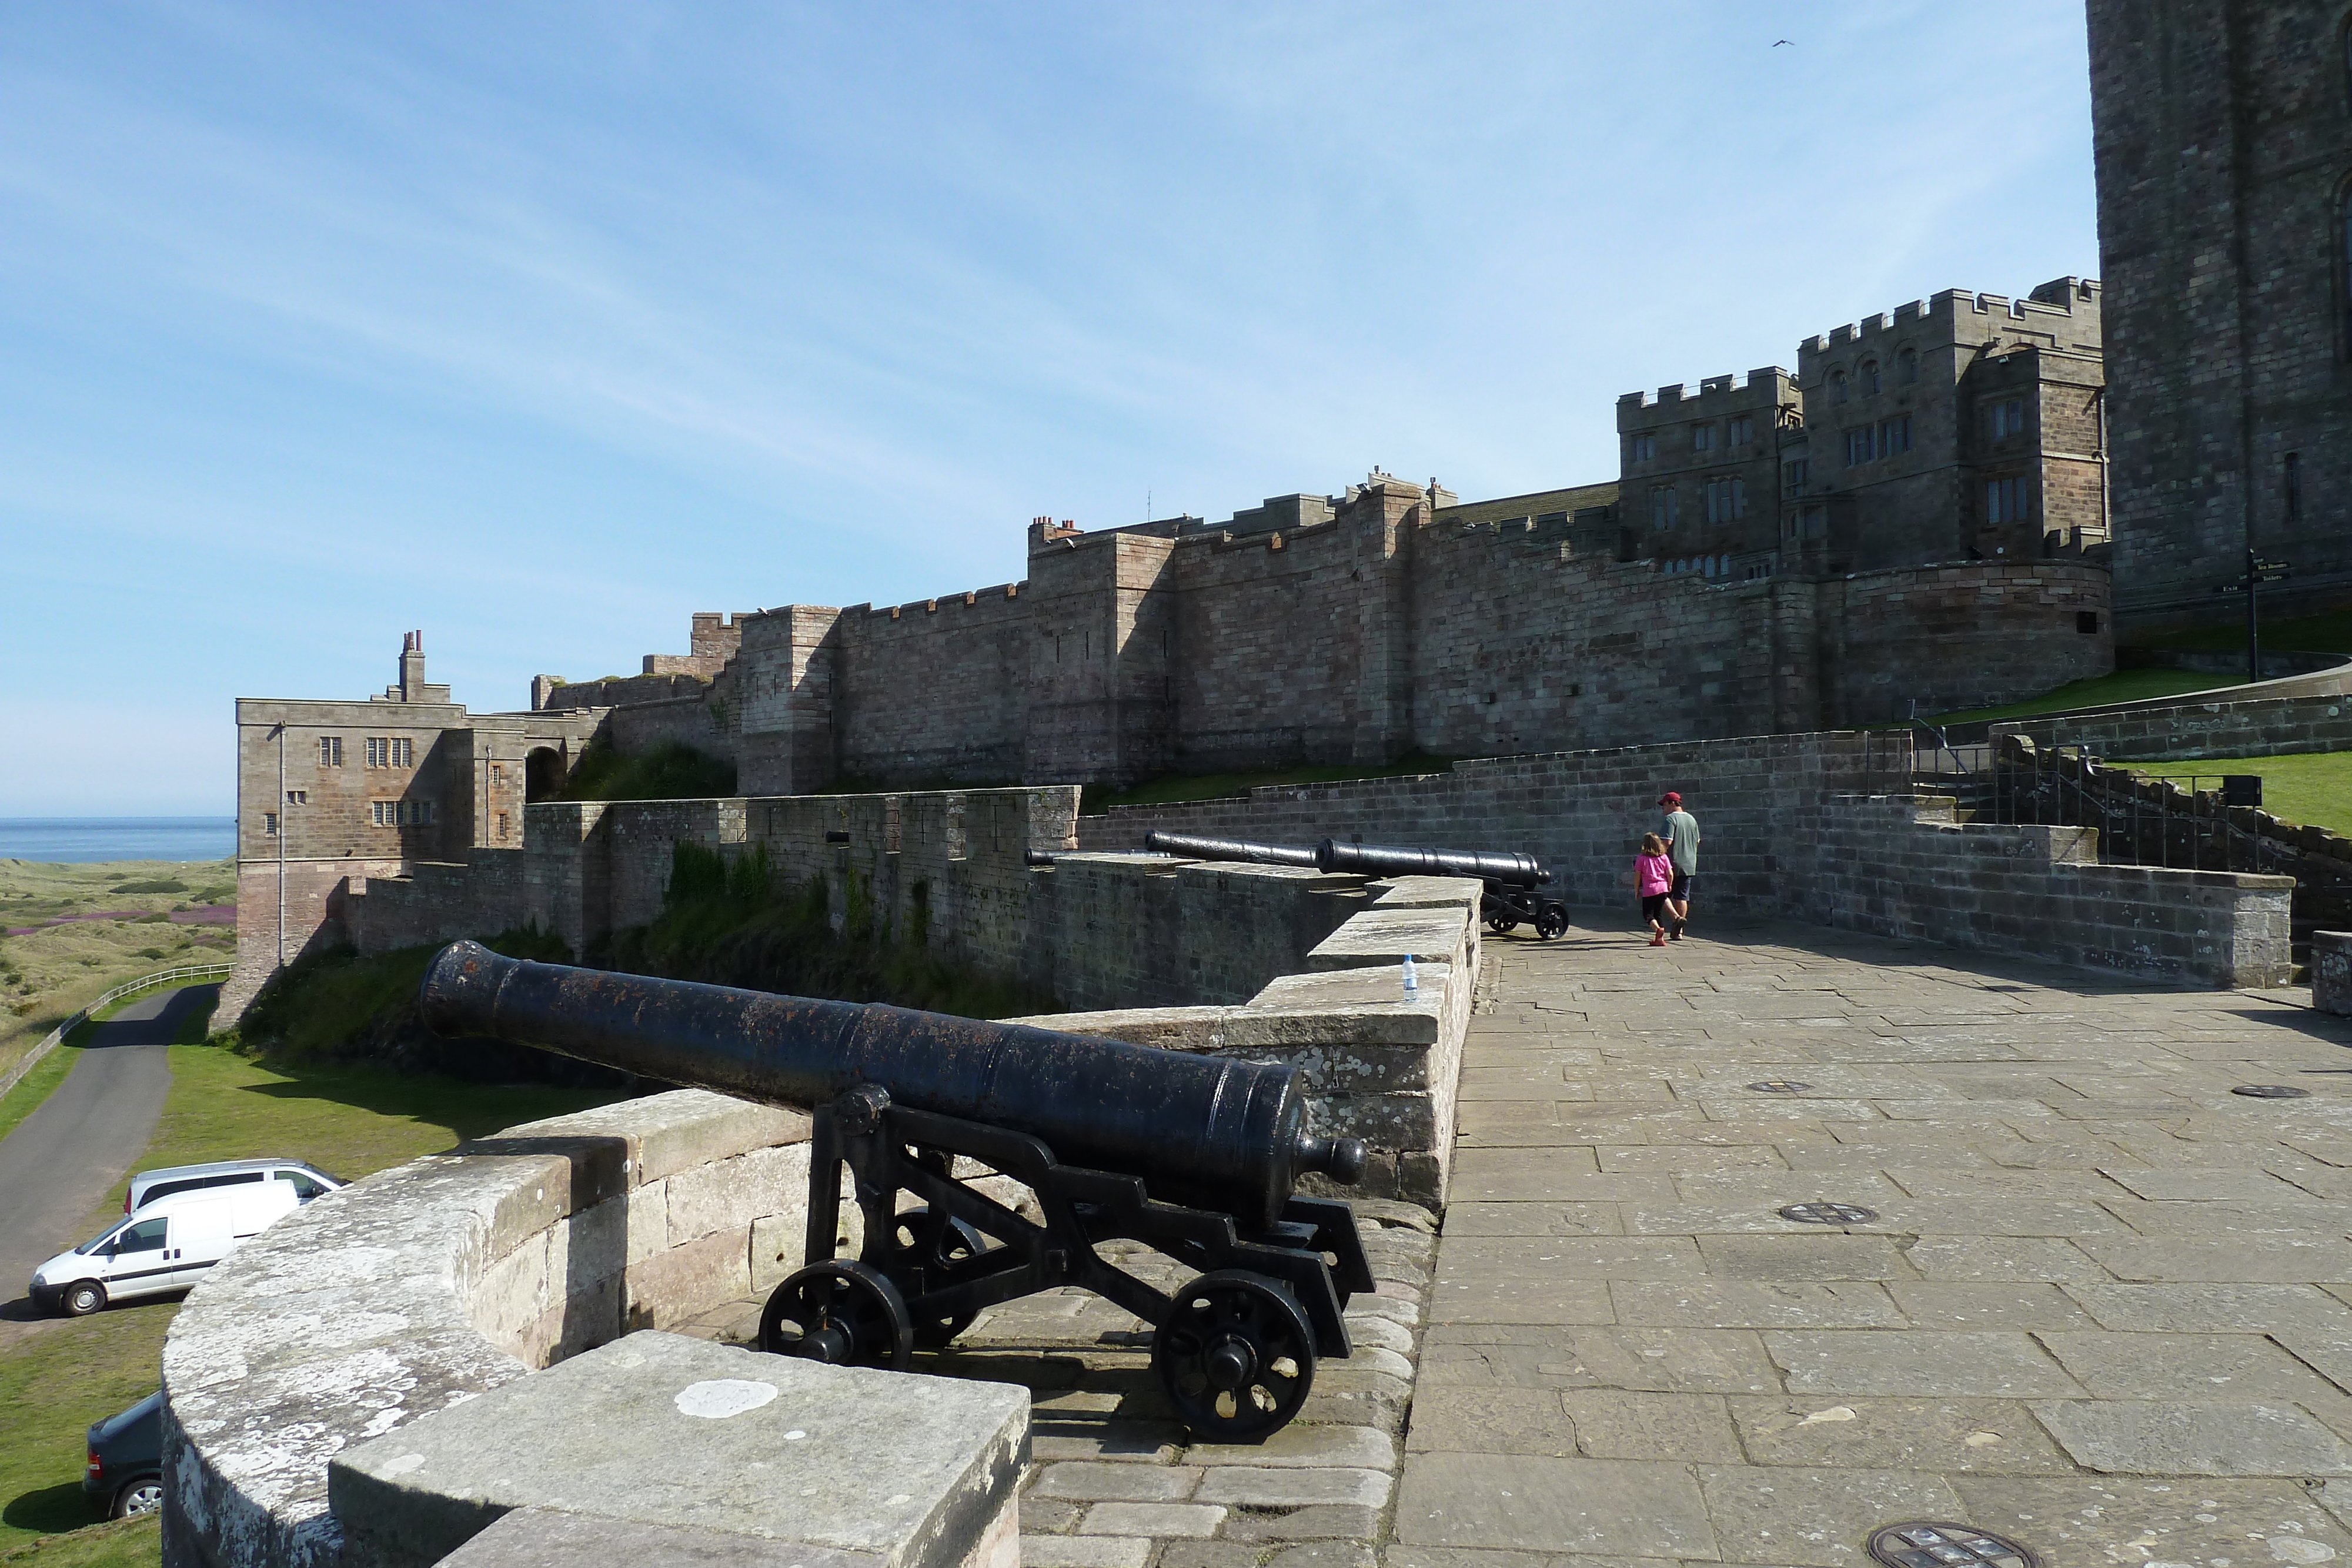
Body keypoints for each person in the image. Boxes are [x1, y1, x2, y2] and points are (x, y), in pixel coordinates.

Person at [1658, 791, 1700, 940]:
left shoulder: (1670, 820)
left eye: (1664, 805)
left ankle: (1676, 918)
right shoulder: (1692, 819)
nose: (1663, 808)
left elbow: (1666, 842)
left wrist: (1654, 856)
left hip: (1671, 864)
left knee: (1660, 894)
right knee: (1682, 897)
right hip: (1689, 864)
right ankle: (1680, 931)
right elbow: (1697, 841)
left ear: (1672, 804)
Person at [1635, 833, 1674, 947]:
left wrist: (1637, 890)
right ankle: (1659, 939)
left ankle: (1657, 929)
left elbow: (1637, 876)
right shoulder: (1664, 857)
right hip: (1663, 888)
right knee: (1658, 914)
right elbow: (1670, 874)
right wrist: (1670, 885)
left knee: (1648, 914)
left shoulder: (1642, 858)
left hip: (1650, 890)